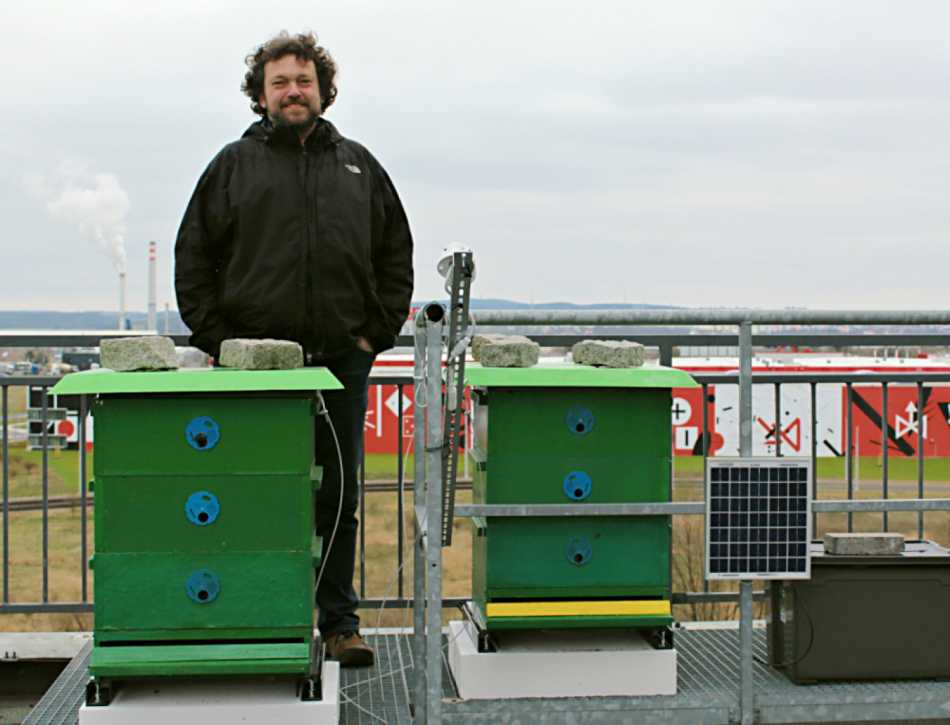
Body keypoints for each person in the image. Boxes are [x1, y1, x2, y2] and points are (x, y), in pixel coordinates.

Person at [175, 30, 414, 668]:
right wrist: (220, 344)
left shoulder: (359, 165)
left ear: (323, 89)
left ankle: (339, 624)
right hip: (257, 369)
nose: (293, 92)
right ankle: (266, 617)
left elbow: (396, 254)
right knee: (259, 490)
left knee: (338, 494)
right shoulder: (233, 164)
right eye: (279, 82)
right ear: (260, 93)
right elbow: (193, 260)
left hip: (341, 363)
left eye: (303, 80)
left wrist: (374, 336)